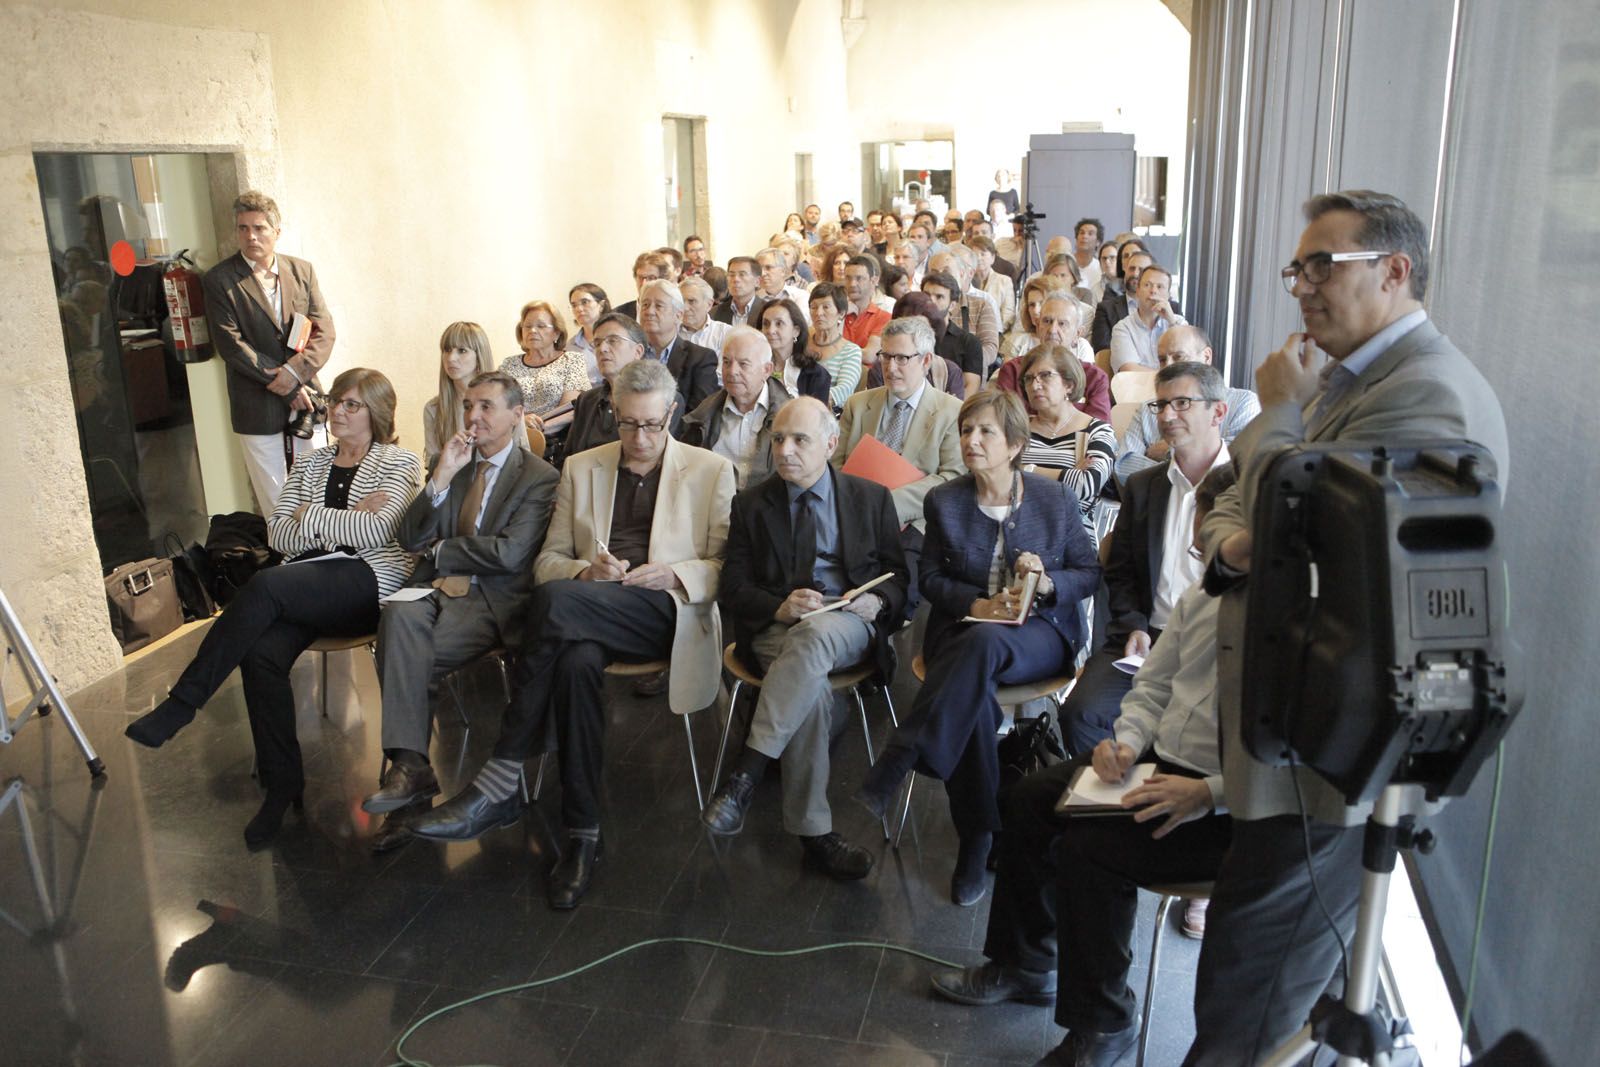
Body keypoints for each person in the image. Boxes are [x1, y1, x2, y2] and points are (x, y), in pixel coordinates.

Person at [1185, 190, 1509, 1066]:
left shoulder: (1426, 396)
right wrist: (1244, 533)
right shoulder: (1348, 380)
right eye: (1296, 268)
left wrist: (1275, 416)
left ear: (1395, 271)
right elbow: (1228, 505)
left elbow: (1286, 532)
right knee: (1249, 986)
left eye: (1322, 266)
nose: (1301, 286)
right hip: (1287, 747)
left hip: (1325, 770)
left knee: (1248, 1010)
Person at [929, 466, 1239, 1067]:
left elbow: (1293, 769)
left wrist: (1207, 794)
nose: (1199, 550)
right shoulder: (1203, 598)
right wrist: (1126, 742)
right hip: (1162, 763)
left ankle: (1107, 1024)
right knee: (1029, 799)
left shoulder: (1285, 628)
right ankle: (1026, 965)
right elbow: (1153, 685)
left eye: (1208, 537)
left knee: (1089, 851)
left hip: (1225, 808)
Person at [408, 360, 736, 911]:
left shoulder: (710, 470)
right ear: (613, 413)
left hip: (666, 614)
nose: (639, 437)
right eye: (627, 423)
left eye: (652, 424)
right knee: (576, 657)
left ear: (672, 414)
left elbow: (726, 566)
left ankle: (502, 775)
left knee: (555, 606)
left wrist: (675, 574)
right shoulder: (583, 467)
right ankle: (582, 833)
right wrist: (586, 573)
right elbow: (549, 562)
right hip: (587, 611)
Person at [124, 369, 420, 847]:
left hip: (365, 585)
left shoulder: (399, 461)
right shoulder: (312, 462)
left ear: (378, 413)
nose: (338, 411)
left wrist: (311, 515)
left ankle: (182, 703)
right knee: (261, 654)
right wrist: (342, 518)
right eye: (336, 401)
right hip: (305, 582)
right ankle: (282, 788)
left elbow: (377, 533)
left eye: (352, 404)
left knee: (264, 585)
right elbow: (278, 532)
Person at [856, 389, 1100, 906]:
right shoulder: (945, 500)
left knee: (980, 650)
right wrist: (978, 604)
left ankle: (903, 755)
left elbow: (1088, 572)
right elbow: (931, 579)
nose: (972, 440)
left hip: (1040, 633)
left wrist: (1047, 581)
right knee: (976, 696)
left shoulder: (1053, 498)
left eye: (986, 431)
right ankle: (979, 836)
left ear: (1015, 444)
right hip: (964, 630)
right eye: (967, 430)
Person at [699, 398, 910, 878]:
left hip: (847, 622)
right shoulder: (752, 504)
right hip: (777, 627)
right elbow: (733, 587)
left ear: (831, 444)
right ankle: (814, 834)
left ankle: (747, 773)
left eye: (799, 440)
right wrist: (779, 607)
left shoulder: (870, 497)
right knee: (809, 689)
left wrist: (877, 602)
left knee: (814, 639)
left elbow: (900, 579)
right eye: (778, 439)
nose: (784, 450)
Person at [361, 372, 559, 849]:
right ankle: (411, 767)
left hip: (489, 598)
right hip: (433, 589)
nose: (473, 416)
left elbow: (509, 554)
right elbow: (409, 538)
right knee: (398, 617)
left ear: (516, 415)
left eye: (487, 406)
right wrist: (441, 477)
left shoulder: (538, 477)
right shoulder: (451, 463)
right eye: (469, 405)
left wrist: (440, 549)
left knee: (405, 657)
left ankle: (409, 783)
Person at [1058, 362, 1232, 756]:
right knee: (1082, 716)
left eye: (1182, 403)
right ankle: (1120, 791)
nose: (1167, 416)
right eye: (1161, 405)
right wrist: (1134, 626)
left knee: (1200, 734)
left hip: (1218, 645)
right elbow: (1121, 574)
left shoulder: (1247, 485)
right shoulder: (1142, 486)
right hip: (1148, 640)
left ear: (1218, 412)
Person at [203, 190, 336, 512]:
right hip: (256, 404)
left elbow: (324, 331)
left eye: (259, 228)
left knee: (318, 493)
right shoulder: (220, 280)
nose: (251, 236)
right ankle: (282, 546)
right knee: (276, 501)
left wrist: (294, 373)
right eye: (243, 228)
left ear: (277, 231)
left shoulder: (302, 271)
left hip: (307, 400)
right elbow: (231, 345)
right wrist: (285, 384)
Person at [835, 316, 964, 606]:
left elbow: (951, 478)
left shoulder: (951, 411)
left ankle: (886, 612)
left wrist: (887, 505)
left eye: (902, 358)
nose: (891, 367)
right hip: (855, 514)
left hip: (915, 519)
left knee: (899, 576)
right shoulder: (858, 405)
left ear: (926, 360)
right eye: (886, 356)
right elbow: (836, 466)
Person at [1115, 325, 1260, 484]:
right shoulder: (1148, 409)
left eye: (1178, 357)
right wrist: (1175, 472)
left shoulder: (1243, 403)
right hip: (1160, 498)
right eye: (1162, 359)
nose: (1168, 366)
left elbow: (1238, 460)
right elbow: (1123, 464)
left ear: (1206, 357)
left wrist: (1170, 452)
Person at [1017, 345, 1116, 535]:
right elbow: (996, 480)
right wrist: (1068, 475)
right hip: (1018, 530)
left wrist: (1023, 470)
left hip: (1072, 535)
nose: (1034, 385)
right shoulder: (1016, 430)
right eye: (1028, 379)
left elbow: (1086, 485)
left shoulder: (1097, 431)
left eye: (1045, 375)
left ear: (1069, 385)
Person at [679, 327, 790, 488]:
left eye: (743, 364)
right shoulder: (704, 413)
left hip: (768, 501)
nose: (732, 371)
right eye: (726, 362)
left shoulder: (789, 416)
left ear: (766, 370)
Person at [565, 313, 686, 457]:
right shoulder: (587, 400)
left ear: (638, 351)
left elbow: (657, 457)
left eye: (613, 341)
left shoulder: (664, 398)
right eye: (597, 343)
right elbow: (569, 455)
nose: (602, 349)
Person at [423, 321, 528, 471]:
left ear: (479, 356)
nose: (451, 358)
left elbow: (523, 457)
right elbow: (433, 466)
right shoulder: (433, 408)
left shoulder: (507, 400)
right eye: (447, 350)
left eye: (462, 350)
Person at [994, 294, 1111, 420]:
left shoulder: (1094, 378)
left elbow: (1100, 428)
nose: (1052, 330)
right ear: (1038, 326)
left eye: (1062, 324)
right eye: (1047, 321)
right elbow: (1005, 424)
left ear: (1078, 333)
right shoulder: (1013, 371)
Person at [500, 300, 590, 432]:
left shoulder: (571, 360)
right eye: (527, 326)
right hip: (516, 434)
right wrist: (521, 422)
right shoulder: (508, 364)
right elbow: (499, 407)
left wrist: (537, 431)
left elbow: (569, 409)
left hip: (559, 435)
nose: (532, 331)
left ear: (556, 332)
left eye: (541, 326)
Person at [637, 278, 719, 411]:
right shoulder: (631, 353)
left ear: (678, 316)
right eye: (645, 305)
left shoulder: (700, 358)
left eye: (659, 306)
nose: (649, 311)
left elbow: (700, 414)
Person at [929, 246, 1001, 377]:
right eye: (934, 272)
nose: (940, 277)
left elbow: (990, 348)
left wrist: (966, 363)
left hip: (968, 377)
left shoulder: (981, 305)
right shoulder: (919, 306)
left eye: (946, 271)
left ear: (961, 274)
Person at [1108, 265, 1187, 372]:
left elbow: (1188, 361)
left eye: (1160, 287)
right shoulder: (1123, 328)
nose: (1153, 291)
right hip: (1138, 383)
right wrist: (1168, 377)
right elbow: (1129, 370)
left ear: (1168, 295)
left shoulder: (1179, 323)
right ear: (1138, 291)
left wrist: (1172, 322)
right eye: (1147, 285)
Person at [759, 298, 830, 405]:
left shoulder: (816, 374)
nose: (770, 330)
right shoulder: (753, 367)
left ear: (796, 331)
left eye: (779, 323)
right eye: (766, 324)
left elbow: (816, 414)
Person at [806, 283, 864, 409]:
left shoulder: (851, 351)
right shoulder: (801, 344)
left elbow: (845, 389)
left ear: (841, 313)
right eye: (814, 307)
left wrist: (809, 401)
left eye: (826, 307)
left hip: (828, 413)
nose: (818, 313)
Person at [1091, 241, 1156, 352]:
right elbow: (1102, 350)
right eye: (1131, 268)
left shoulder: (1170, 309)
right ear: (1124, 270)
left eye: (1141, 270)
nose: (1135, 274)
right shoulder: (1106, 309)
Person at [841, 254, 890, 367]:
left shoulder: (883, 317)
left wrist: (834, 350)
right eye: (848, 278)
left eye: (859, 278)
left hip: (865, 376)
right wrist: (840, 317)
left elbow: (869, 356)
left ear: (874, 281)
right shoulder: (837, 313)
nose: (852, 284)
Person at [966, 235, 1016, 333]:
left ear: (992, 258)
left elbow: (1008, 315)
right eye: (975, 255)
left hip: (997, 332)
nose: (979, 258)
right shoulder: (965, 281)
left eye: (983, 254)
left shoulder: (1004, 281)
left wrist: (992, 332)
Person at [567, 283, 610, 384]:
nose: (579, 309)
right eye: (574, 305)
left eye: (584, 302)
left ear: (601, 305)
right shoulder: (570, 347)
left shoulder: (618, 337)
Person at [679, 275, 732, 357]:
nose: (685, 308)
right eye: (681, 301)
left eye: (691, 301)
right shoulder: (669, 331)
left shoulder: (725, 334)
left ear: (709, 304)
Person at [613, 250, 672, 321]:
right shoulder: (618, 315)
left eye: (651, 278)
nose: (644, 283)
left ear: (663, 280)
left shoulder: (672, 312)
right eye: (641, 278)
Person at [756, 247, 811, 321]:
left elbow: (801, 324)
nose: (762, 273)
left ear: (783, 271)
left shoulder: (800, 296)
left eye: (768, 268)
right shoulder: (753, 298)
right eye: (759, 269)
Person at [713, 256, 766, 327]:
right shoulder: (715, 312)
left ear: (757, 281)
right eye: (731, 275)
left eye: (742, 274)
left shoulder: (767, 310)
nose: (736, 279)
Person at [1072, 218, 1105, 295]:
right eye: (1082, 233)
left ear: (1098, 242)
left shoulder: (1100, 267)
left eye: (1090, 234)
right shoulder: (1066, 262)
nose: (1084, 236)